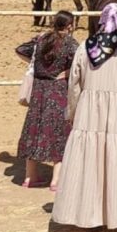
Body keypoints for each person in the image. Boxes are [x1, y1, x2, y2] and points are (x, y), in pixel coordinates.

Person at [51, 3, 117, 232]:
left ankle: (87, 218)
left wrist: (73, 112)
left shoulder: (85, 48)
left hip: (89, 114)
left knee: (89, 164)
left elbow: (74, 84)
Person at [17, 10, 78, 191]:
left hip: (39, 89)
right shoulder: (70, 43)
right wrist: (66, 72)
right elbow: (80, 63)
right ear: (70, 26)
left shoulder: (42, 39)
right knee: (59, 131)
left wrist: (36, 65)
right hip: (58, 90)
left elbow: (21, 49)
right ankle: (56, 180)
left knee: (34, 128)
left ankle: (30, 177)